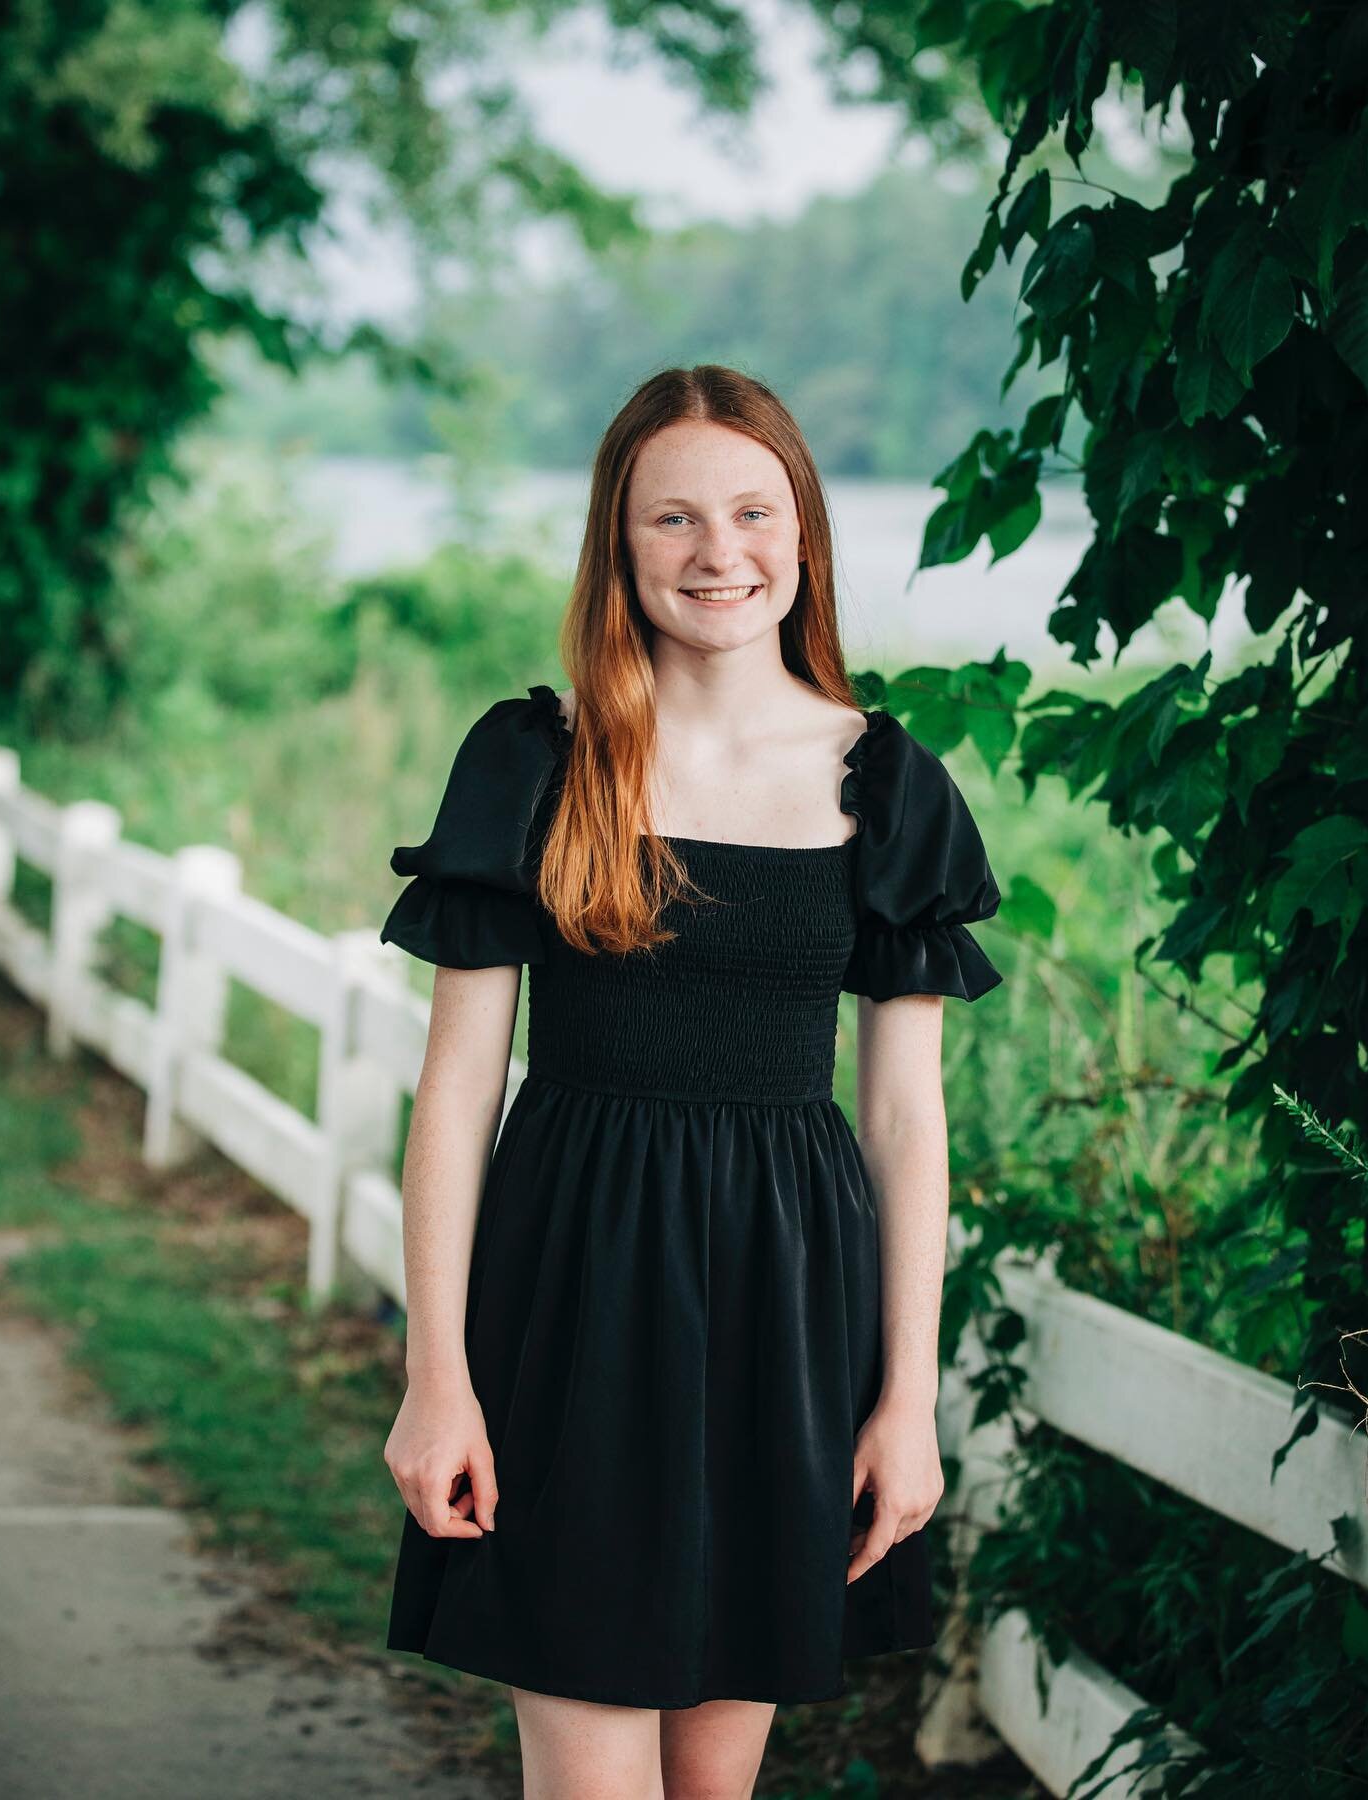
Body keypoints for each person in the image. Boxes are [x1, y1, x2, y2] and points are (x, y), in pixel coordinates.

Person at [379, 364, 1004, 1799]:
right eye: (673, 519)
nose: (718, 553)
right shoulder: (535, 762)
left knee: (712, 1789)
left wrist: (908, 1401)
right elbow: (457, 1097)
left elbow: (910, 1124)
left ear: (805, 536)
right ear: (619, 542)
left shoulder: (889, 788)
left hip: (788, 1318)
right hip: (573, 1297)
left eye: (751, 512)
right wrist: (437, 1379)